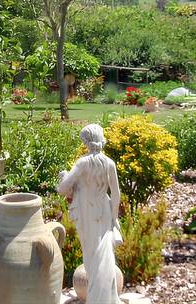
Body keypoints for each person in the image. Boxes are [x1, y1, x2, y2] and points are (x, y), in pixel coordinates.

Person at [57, 123, 121, 304]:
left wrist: (63, 177)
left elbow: (63, 188)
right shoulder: (109, 163)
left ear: (85, 141)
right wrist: (114, 217)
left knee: (92, 255)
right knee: (105, 255)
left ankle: (97, 299)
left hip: (86, 210)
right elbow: (116, 193)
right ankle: (107, 298)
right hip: (104, 209)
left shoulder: (83, 163)